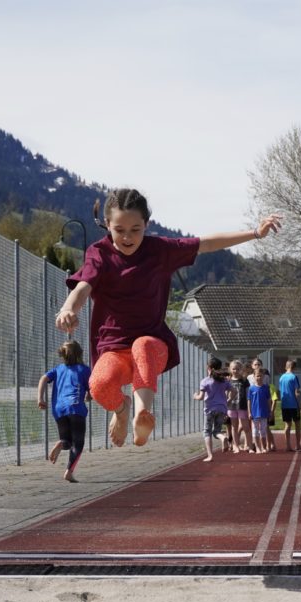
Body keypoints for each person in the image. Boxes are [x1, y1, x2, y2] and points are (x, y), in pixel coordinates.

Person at [55, 188, 281, 447]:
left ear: (146, 224)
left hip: (154, 346)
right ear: (107, 224)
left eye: (136, 229)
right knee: (99, 386)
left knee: (143, 345)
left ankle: (142, 413)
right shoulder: (99, 253)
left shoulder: (160, 250)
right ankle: (122, 408)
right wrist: (68, 308)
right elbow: (84, 285)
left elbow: (206, 243)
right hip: (113, 350)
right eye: (119, 230)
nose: (127, 237)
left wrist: (254, 233)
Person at [37, 340, 92, 482]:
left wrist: (40, 399)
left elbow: (43, 378)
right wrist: (89, 395)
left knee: (67, 441)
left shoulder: (58, 369)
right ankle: (69, 471)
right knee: (78, 443)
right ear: (80, 353)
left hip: (59, 409)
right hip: (76, 409)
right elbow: (92, 388)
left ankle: (61, 443)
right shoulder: (84, 370)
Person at [193, 356, 233, 462]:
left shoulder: (205, 381)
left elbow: (201, 397)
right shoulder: (224, 381)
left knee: (207, 432)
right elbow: (234, 391)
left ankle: (210, 455)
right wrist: (228, 400)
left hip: (209, 409)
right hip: (222, 409)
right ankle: (222, 437)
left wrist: (195, 396)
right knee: (217, 431)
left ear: (209, 368)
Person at [226, 360, 253, 453]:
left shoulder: (244, 380)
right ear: (230, 369)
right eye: (233, 369)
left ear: (241, 369)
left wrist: (249, 407)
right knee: (234, 427)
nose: (235, 371)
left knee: (246, 427)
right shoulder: (228, 381)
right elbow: (225, 393)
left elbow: (248, 394)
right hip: (231, 406)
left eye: (237, 369)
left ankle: (249, 446)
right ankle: (236, 446)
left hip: (242, 406)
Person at [247, 359, 273, 453]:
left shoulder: (266, 388)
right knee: (255, 431)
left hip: (264, 412)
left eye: (260, 376)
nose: (259, 377)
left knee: (263, 430)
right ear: (254, 377)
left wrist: (270, 411)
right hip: (254, 413)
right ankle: (257, 448)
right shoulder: (251, 388)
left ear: (263, 377)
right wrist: (249, 412)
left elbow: (268, 400)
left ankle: (263, 447)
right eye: (257, 376)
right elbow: (249, 401)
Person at [278, 359, 301, 452]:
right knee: (297, 424)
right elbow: (297, 392)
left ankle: (288, 445)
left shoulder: (281, 378)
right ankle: (298, 445)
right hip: (293, 405)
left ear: (286, 366)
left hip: (285, 405)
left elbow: (281, 391)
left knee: (287, 425)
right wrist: (300, 406)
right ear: (294, 367)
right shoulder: (294, 377)